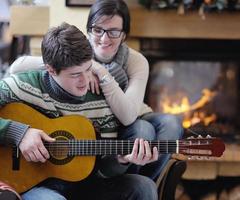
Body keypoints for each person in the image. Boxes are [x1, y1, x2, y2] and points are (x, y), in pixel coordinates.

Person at [9, 0, 184, 181]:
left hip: (132, 112)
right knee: (144, 131)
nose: (104, 38)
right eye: (98, 30)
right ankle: (130, 184)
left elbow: (129, 116)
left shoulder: (136, 61)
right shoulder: (76, 53)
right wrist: (83, 66)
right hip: (103, 119)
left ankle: (147, 182)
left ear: (124, 35)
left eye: (114, 32)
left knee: (170, 123)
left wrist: (101, 73)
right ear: (88, 29)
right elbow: (16, 67)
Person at [0, 22, 158, 200]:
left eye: (88, 69)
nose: (85, 80)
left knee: (144, 187)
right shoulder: (19, 86)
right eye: (75, 74)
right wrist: (19, 133)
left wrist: (121, 160)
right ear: (51, 70)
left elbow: (103, 171)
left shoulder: (102, 100)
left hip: (88, 185)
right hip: (35, 184)